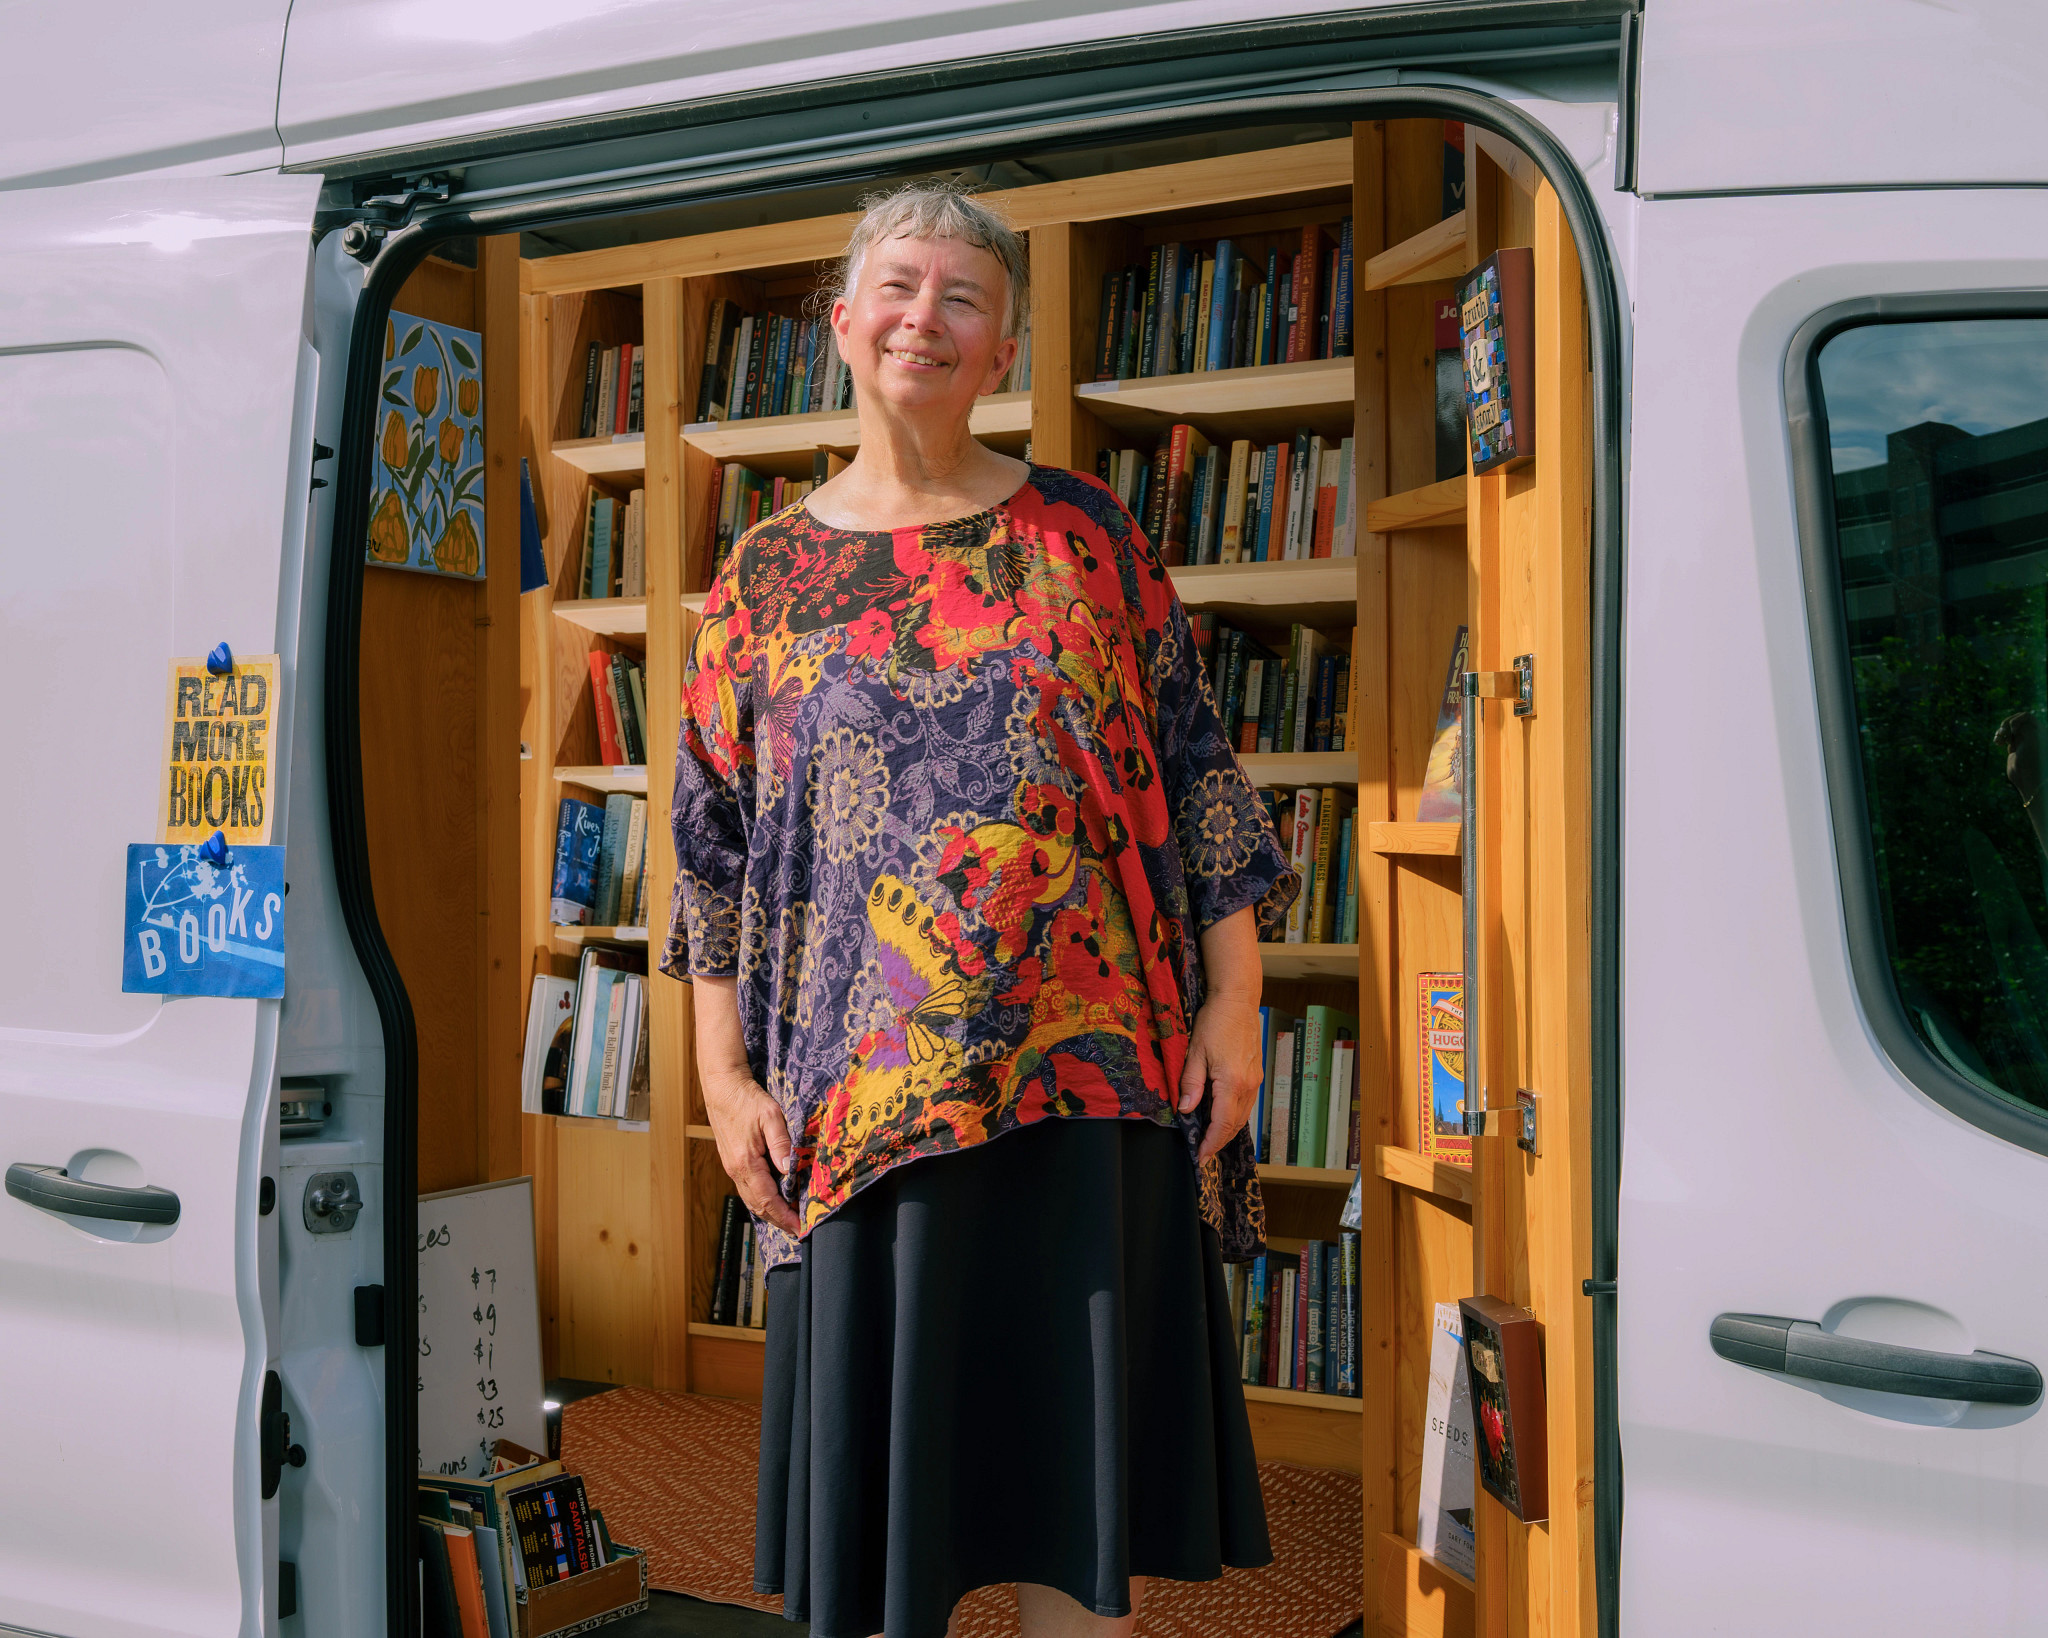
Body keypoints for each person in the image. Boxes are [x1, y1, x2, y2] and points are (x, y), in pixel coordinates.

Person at [662, 179, 1297, 1638]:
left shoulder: (1092, 533)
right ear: (841, 324)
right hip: (866, 1110)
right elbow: (709, 845)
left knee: (1081, 1538)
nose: (924, 319)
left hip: (1095, 1084)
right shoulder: (760, 577)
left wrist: (1238, 1002)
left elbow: (1199, 763)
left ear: (1004, 346)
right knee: (895, 1558)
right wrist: (719, 1075)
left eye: (963, 298)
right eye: (898, 287)